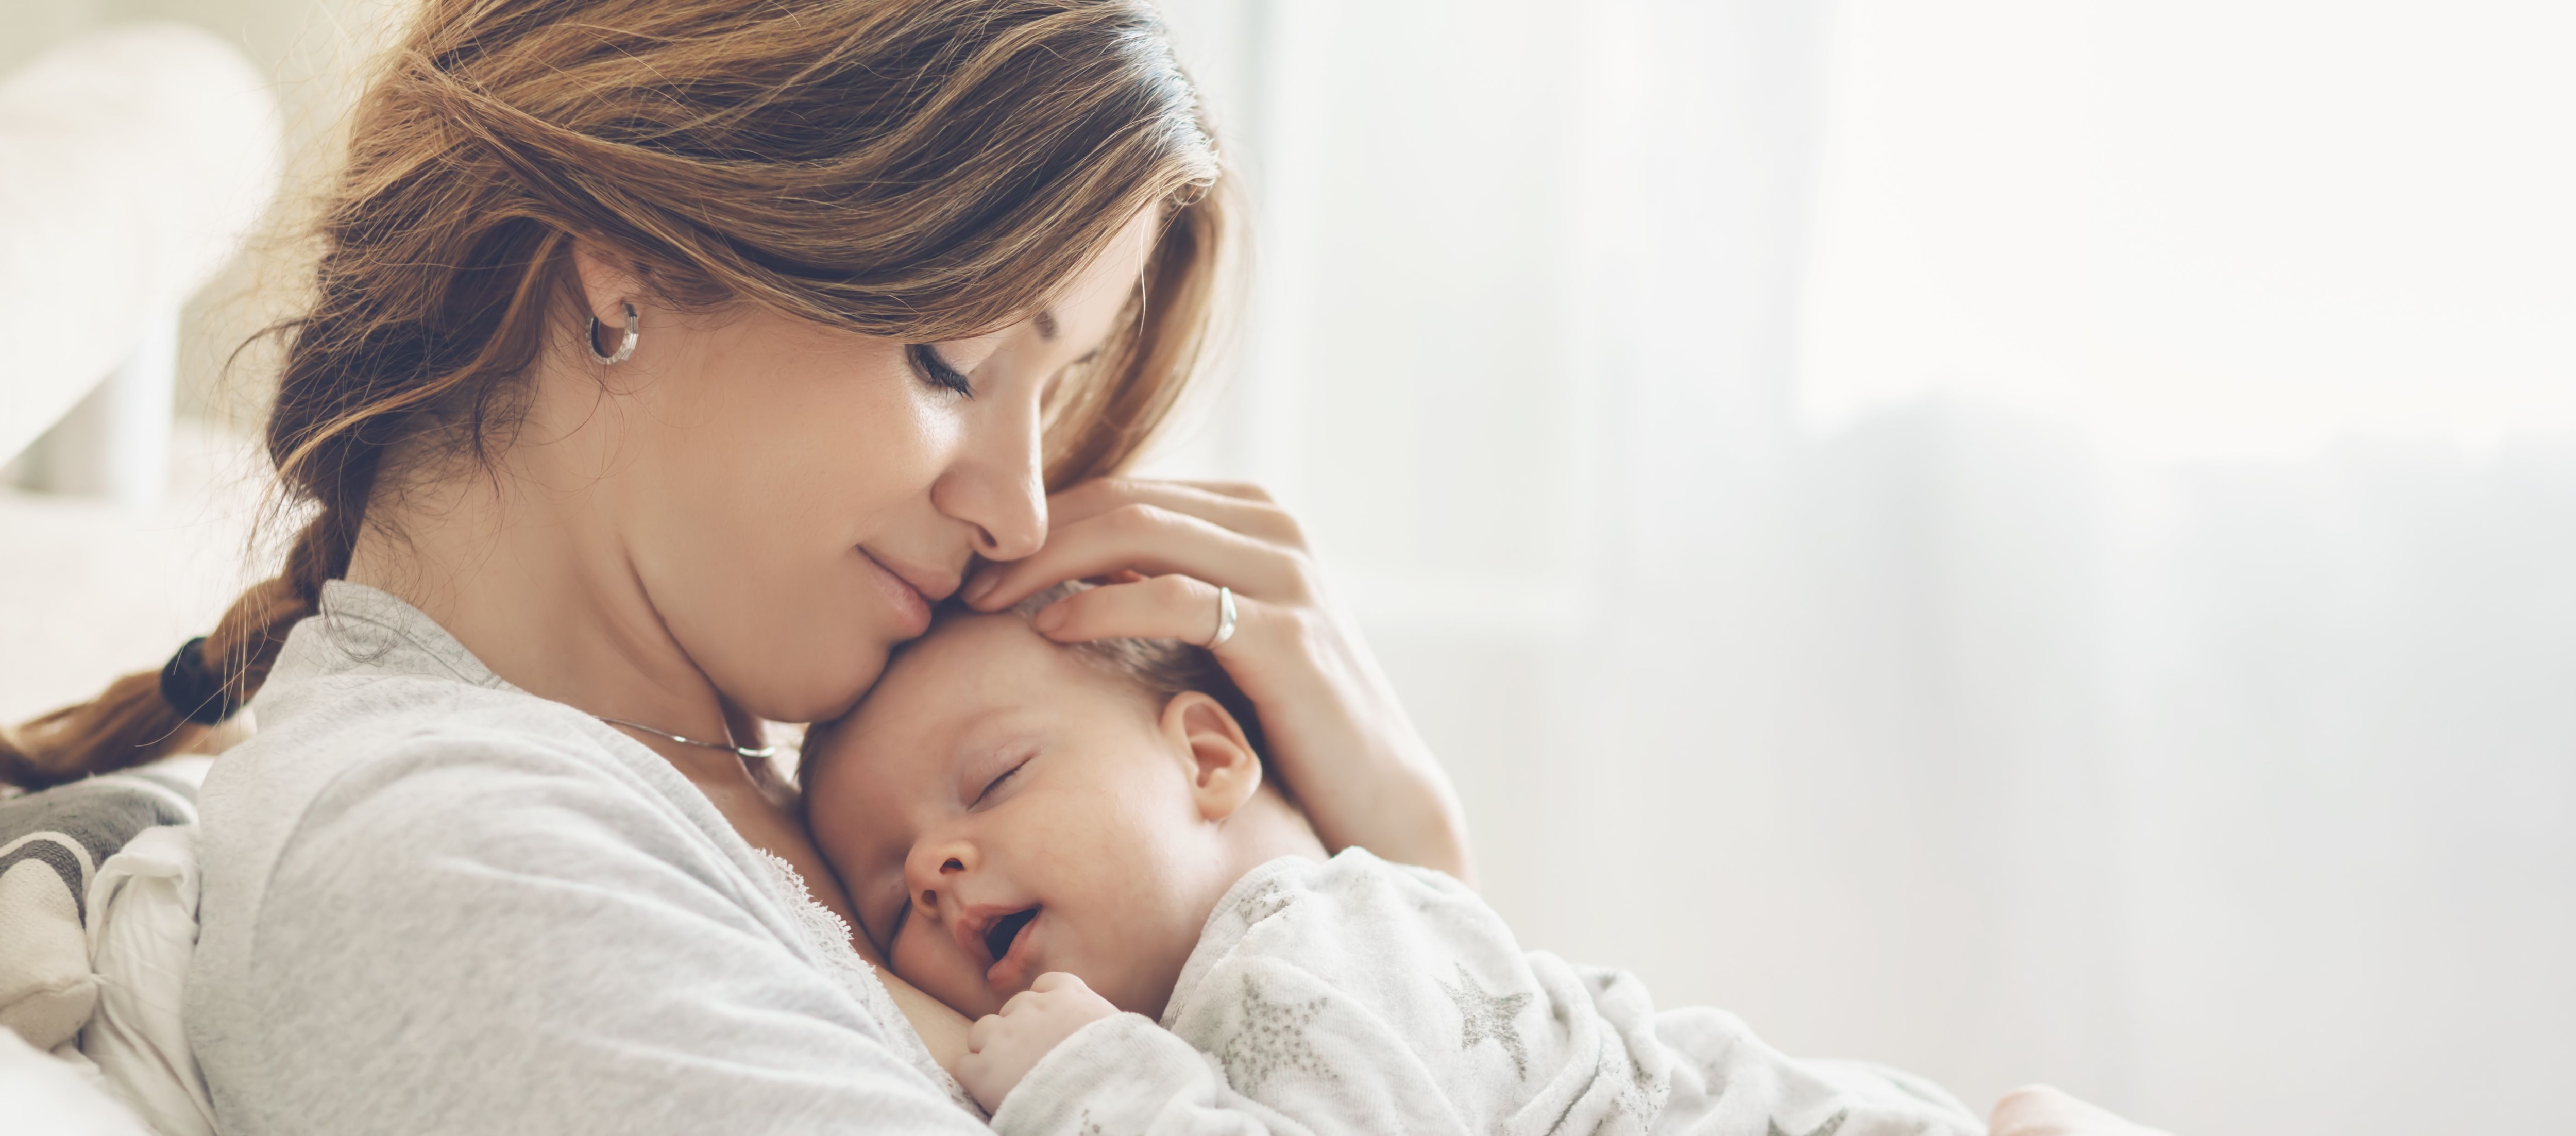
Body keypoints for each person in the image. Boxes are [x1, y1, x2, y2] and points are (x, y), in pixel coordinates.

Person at [0, 1, 1467, 1130]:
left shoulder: (855, 792)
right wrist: (1413, 883)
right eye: (953, 362)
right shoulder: (465, 858)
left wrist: (1393, 869)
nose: (1020, 510)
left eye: (1057, 394)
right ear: (624, 262)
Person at [800, 585, 1986, 1134]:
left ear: (1208, 759)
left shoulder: (1297, 946)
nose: (933, 869)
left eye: (995, 777)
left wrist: (1086, 1082)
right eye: (885, 893)